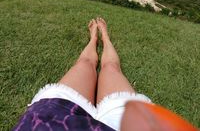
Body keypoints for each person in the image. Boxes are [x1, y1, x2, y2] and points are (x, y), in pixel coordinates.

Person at [12, 18, 198, 131]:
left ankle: (102, 36)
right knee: (110, 68)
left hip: (50, 121)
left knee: (87, 64)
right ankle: (97, 37)